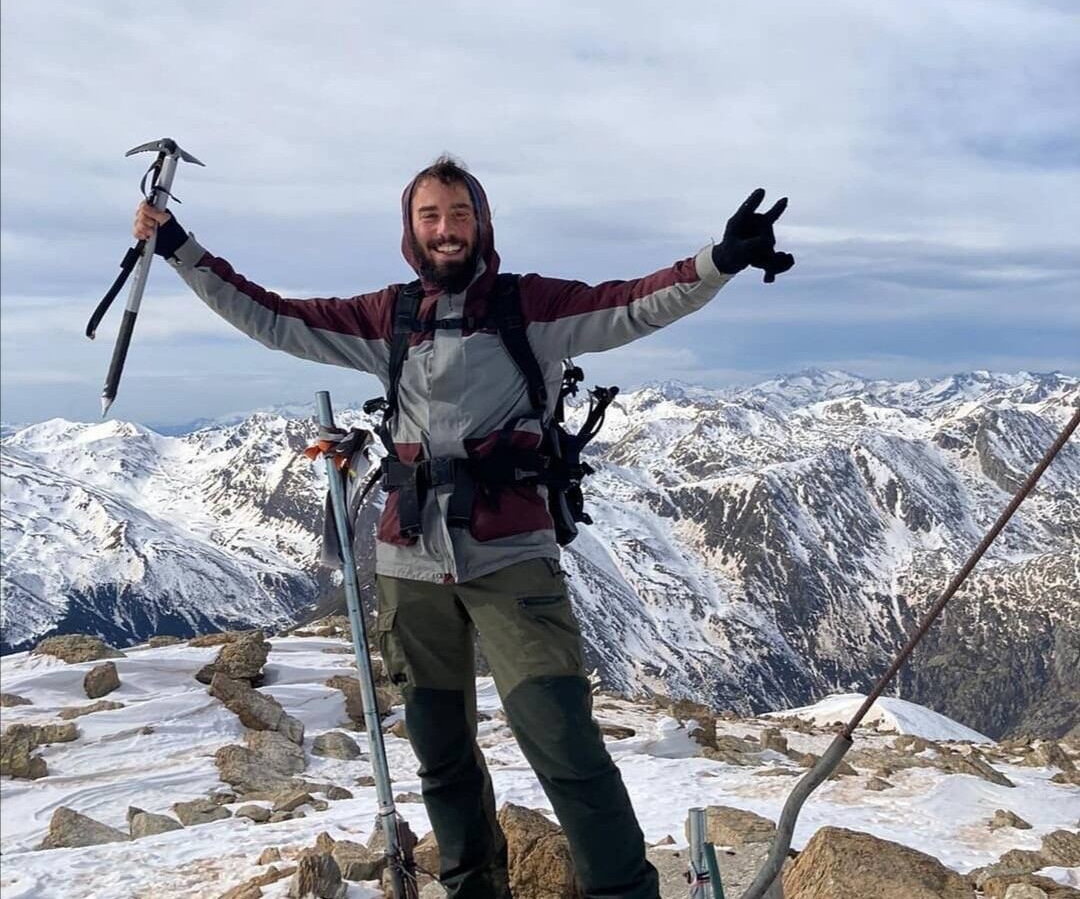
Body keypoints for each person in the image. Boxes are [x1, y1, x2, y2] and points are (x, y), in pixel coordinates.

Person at [133, 155, 793, 899]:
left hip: (510, 555)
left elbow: (634, 303)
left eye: (458, 214)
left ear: (481, 223)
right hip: (408, 560)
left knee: (564, 742)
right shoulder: (388, 316)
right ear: (411, 231)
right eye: (430, 216)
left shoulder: (530, 308)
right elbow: (274, 318)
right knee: (441, 753)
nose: (445, 230)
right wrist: (183, 249)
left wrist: (721, 260)